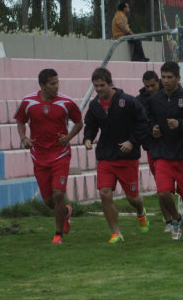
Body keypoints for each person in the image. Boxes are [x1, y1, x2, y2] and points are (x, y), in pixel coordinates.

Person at [14, 68, 83, 244]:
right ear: (42, 85)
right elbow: (20, 121)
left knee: (58, 194)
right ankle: (65, 212)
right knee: (48, 201)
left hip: (60, 155)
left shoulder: (66, 102)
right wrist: (24, 138)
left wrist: (68, 137)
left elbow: (79, 122)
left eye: (57, 82)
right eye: (53, 84)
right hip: (39, 156)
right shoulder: (28, 102)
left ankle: (58, 234)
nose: (57, 86)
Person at [83, 67, 151, 243]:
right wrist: (88, 138)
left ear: (110, 83)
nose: (98, 89)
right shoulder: (94, 105)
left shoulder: (127, 101)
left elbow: (143, 123)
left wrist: (132, 141)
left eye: (101, 85)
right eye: (95, 86)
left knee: (133, 198)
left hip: (126, 157)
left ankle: (140, 211)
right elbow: (90, 124)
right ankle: (116, 233)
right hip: (105, 157)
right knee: (105, 193)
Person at [146, 61, 183, 243]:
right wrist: (153, 129)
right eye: (163, 77)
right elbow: (147, 120)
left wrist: (180, 124)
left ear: (178, 78)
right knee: (163, 192)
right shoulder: (155, 100)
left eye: (170, 77)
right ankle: (177, 219)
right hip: (163, 154)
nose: (166, 80)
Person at [136, 70, 174, 232]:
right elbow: (139, 124)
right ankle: (169, 221)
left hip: (174, 147)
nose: (150, 89)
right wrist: (150, 135)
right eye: (147, 86)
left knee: (179, 186)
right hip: (154, 148)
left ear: (158, 82)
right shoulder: (139, 101)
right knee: (162, 188)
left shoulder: (169, 96)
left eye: (153, 85)